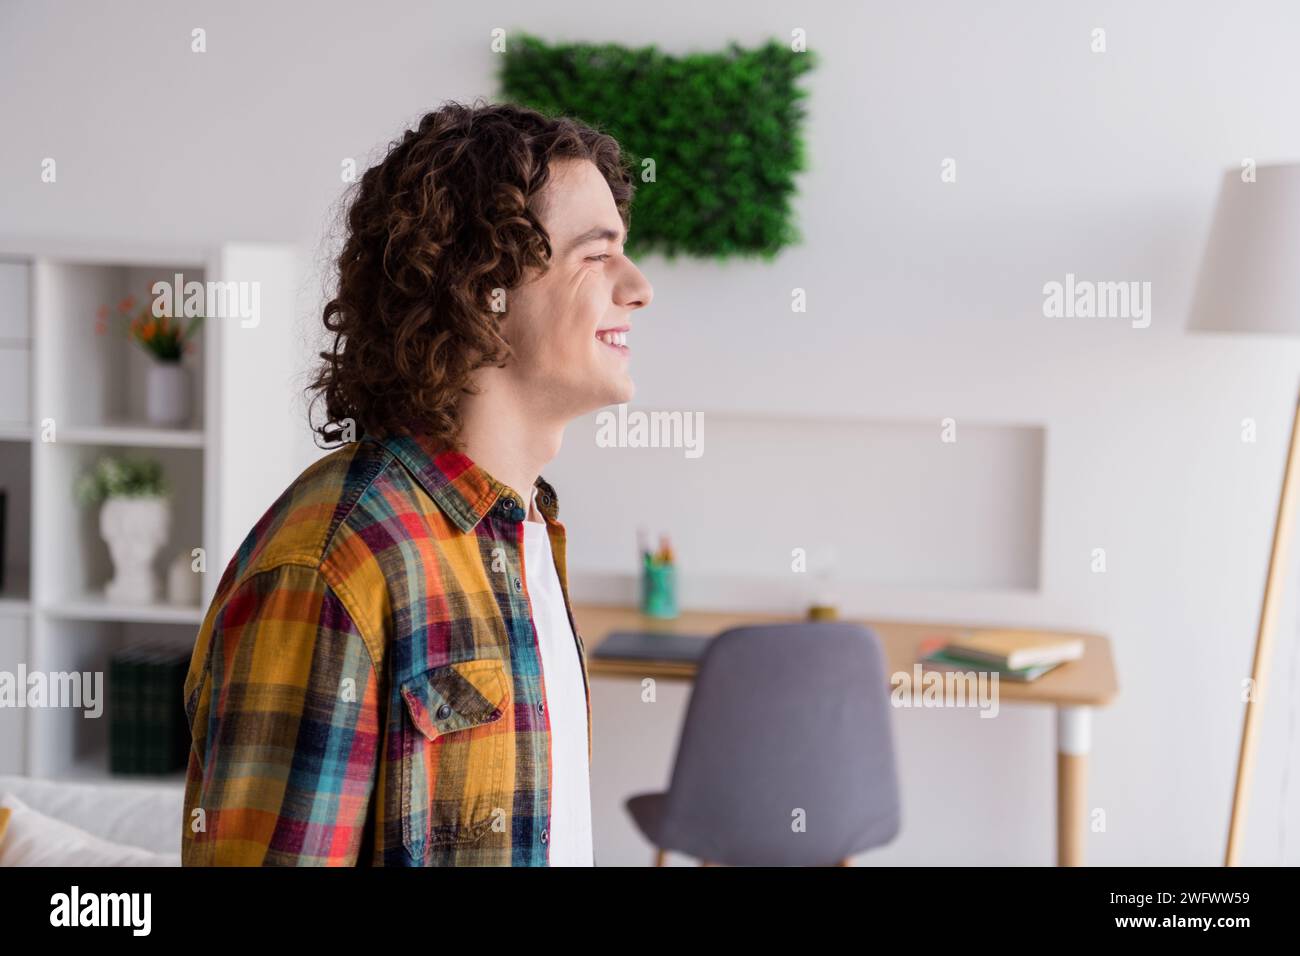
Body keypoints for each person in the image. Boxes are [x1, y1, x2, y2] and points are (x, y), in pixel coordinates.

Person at [181, 100, 653, 865]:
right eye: (597, 255)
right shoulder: (332, 565)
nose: (639, 288)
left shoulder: (526, 532)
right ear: (479, 288)